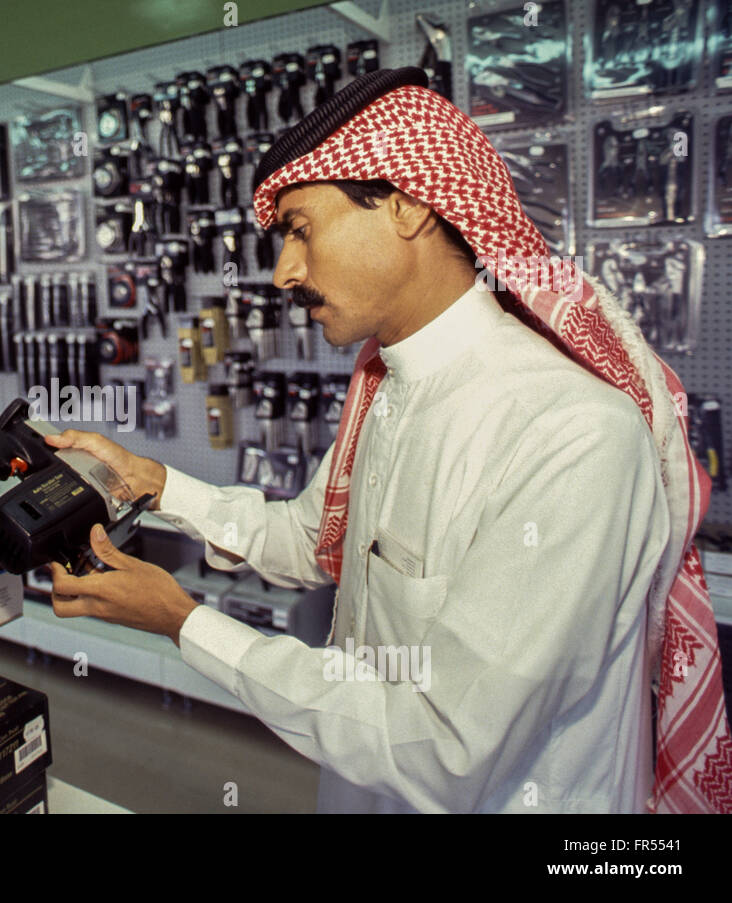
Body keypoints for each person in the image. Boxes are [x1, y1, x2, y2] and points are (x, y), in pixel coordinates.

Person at [46, 68, 732, 813]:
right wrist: (154, 482)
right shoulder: (390, 387)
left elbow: (447, 745)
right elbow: (314, 540)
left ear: (407, 206)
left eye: (301, 231)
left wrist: (186, 621)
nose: (283, 274)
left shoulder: (571, 435)